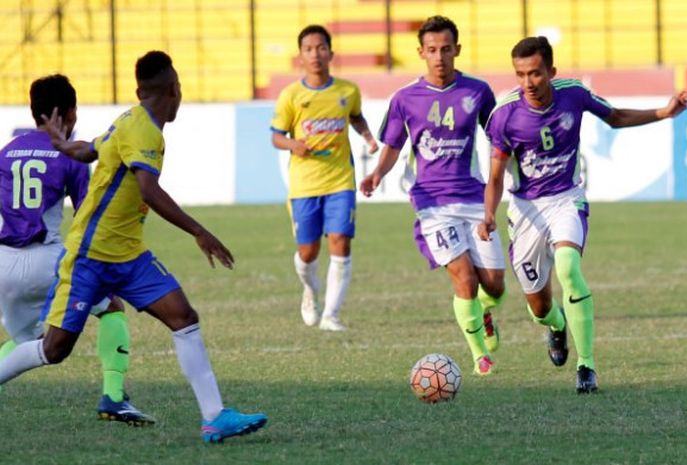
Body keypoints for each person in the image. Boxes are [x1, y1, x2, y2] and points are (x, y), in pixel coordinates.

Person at [0, 52, 267, 443]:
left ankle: (214, 416)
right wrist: (198, 231)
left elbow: (89, 150)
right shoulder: (144, 131)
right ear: (174, 91)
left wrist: (62, 143)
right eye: (177, 89)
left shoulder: (127, 120)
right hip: (90, 256)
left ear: (140, 91)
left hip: (127, 254)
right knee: (54, 349)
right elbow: (148, 189)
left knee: (183, 317)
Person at [479, 36, 687, 392]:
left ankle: (586, 367)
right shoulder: (504, 115)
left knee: (568, 268)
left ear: (551, 71)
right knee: (539, 307)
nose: (528, 83)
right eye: (521, 75)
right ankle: (556, 325)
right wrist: (488, 215)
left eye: (535, 74)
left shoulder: (573, 94)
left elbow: (615, 116)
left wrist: (664, 113)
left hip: (567, 198)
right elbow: (496, 175)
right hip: (527, 209)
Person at [0, 74, 153, 425]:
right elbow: (90, 214)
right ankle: (114, 396)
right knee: (112, 306)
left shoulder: (6, 153)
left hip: (4, 264)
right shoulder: (69, 156)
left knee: (29, 340)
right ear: (68, 114)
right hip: (45, 259)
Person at [360, 16, 506, 376]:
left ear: (457, 49)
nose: (439, 56)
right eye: (431, 50)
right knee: (464, 279)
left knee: (495, 286)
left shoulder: (479, 92)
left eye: (445, 49)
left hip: (473, 198)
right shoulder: (405, 98)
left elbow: (499, 139)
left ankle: (484, 312)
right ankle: (479, 357)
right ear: (420, 53)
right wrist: (378, 173)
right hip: (431, 202)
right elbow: (393, 145)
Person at [271, 24, 378, 331]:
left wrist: (368, 137)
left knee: (340, 241)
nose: (315, 54)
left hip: (340, 180)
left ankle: (331, 315)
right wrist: (293, 144)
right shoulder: (291, 95)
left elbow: (356, 116)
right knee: (308, 252)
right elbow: (276, 136)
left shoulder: (347, 90)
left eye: (321, 48)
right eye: (308, 49)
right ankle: (309, 291)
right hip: (304, 184)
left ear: (331, 53)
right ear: (300, 56)